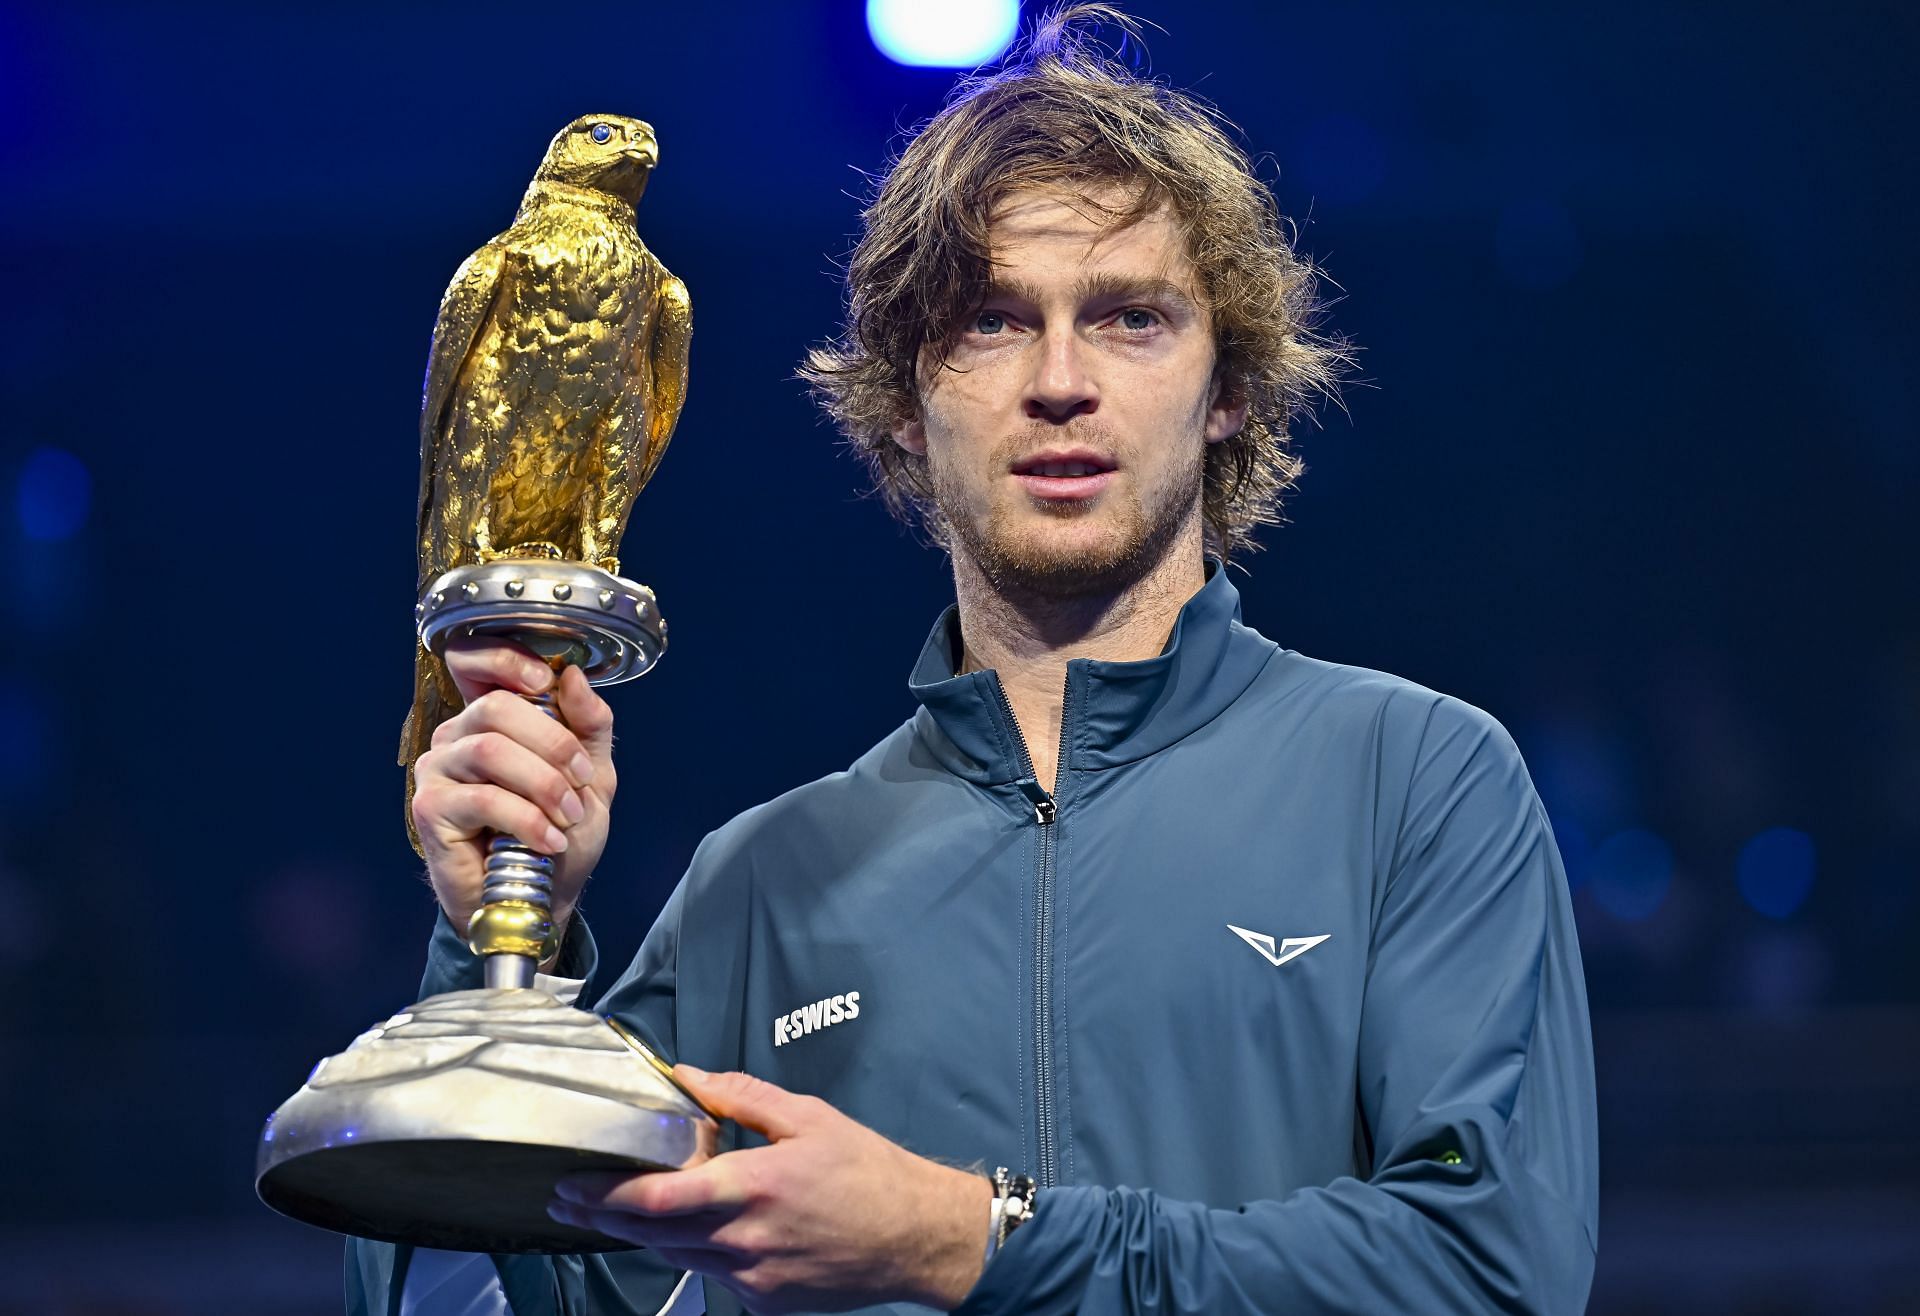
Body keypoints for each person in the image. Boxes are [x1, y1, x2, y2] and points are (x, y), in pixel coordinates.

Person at [353, 6, 1598, 1313]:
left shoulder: (1413, 781)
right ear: (900, 406)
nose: (1060, 380)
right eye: (993, 322)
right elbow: (467, 1303)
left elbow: (1494, 1272)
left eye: (1129, 318)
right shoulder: (762, 886)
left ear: (1228, 386)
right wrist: (505, 945)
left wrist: (968, 1237)